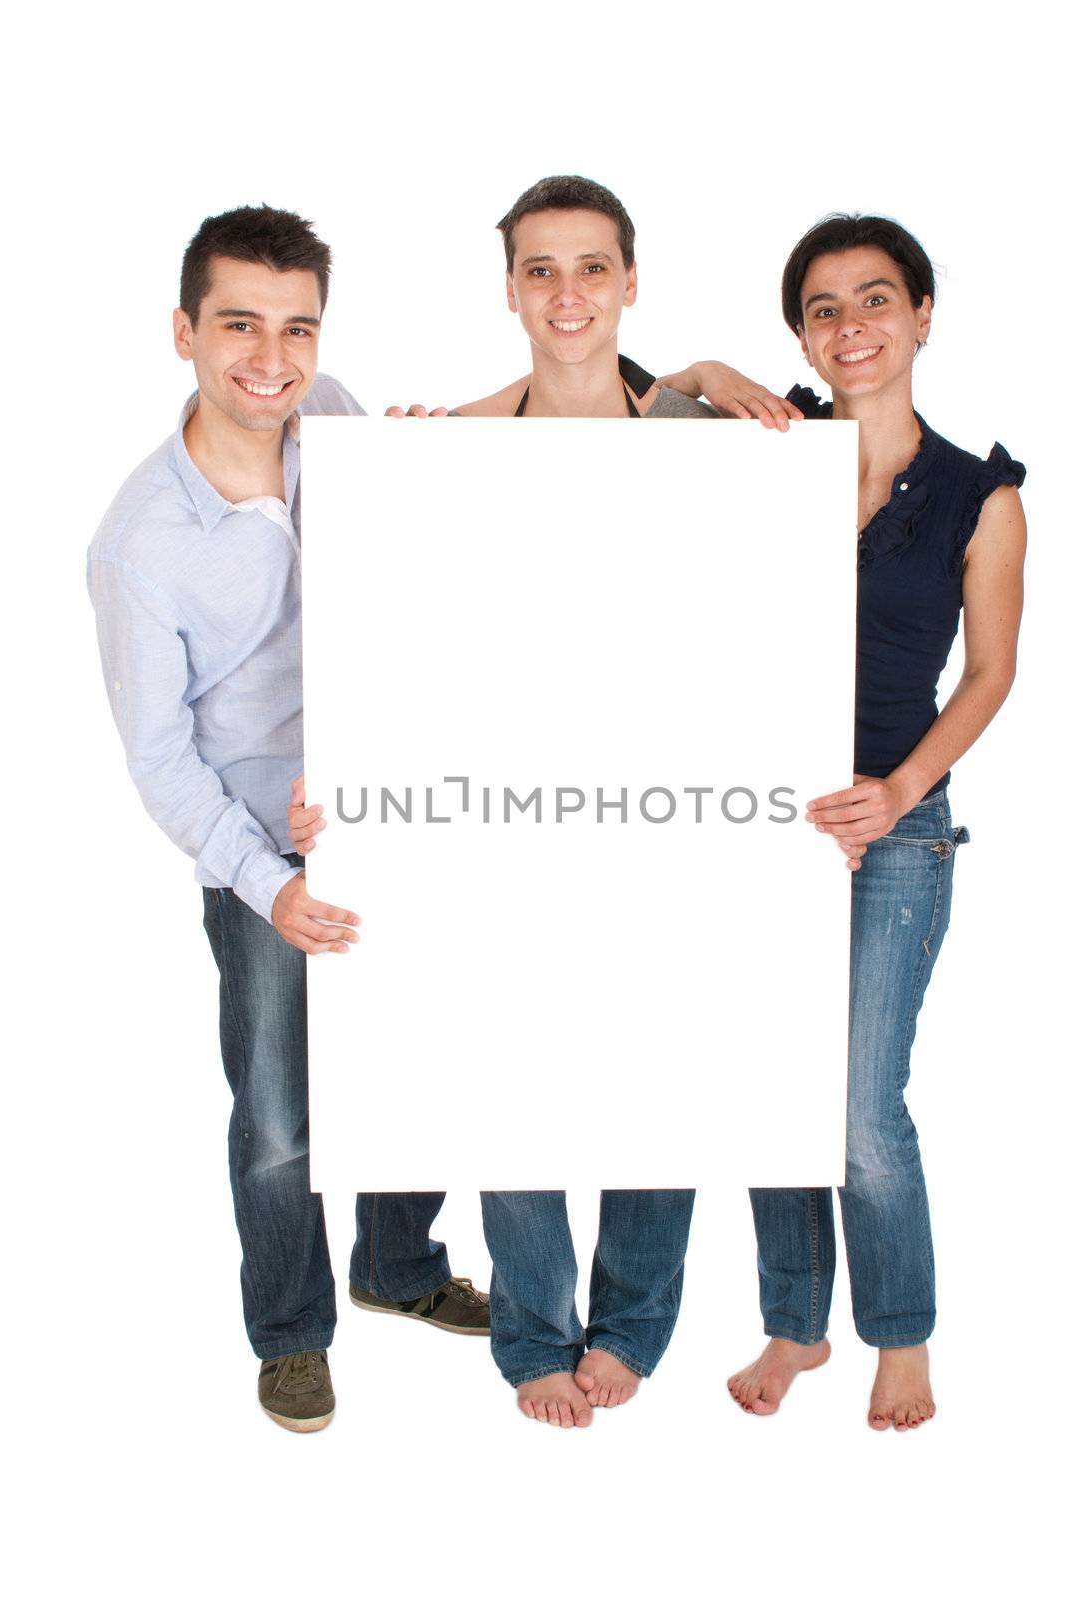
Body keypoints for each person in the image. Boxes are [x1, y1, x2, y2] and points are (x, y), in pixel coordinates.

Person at [290, 175, 805, 1429]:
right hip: (504, 810)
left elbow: (777, 610)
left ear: (631, 281)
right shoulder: (453, 445)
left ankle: (630, 1325)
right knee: (507, 1063)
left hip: (675, 809)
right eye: (540, 269)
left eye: (591, 268)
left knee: (663, 1068)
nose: (566, 293)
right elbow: (394, 636)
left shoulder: (717, 436)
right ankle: (528, 1326)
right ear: (510, 286)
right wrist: (348, 780)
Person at [86, 205, 489, 1435]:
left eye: (298, 327)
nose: (272, 357)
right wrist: (271, 882)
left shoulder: (333, 414)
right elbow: (160, 763)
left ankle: (398, 1267)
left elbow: (408, 566)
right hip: (262, 851)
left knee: (422, 1056)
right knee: (277, 1109)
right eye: (240, 325)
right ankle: (291, 1331)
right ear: (184, 331)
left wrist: (413, 467)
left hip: (397, 806)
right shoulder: (139, 541)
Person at [689, 215, 1027, 1430]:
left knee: (858, 1106)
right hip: (756, 827)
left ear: (923, 315)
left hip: (897, 828)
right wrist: (708, 378)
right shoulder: (765, 445)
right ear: (802, 334)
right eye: (824, 309)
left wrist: (895, 791)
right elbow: (635, 401)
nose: (852, 327)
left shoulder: (979, 498)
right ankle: (795, 1326)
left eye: (876, 300)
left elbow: (988, 674)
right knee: (768, 1086)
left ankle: (901, 1332)